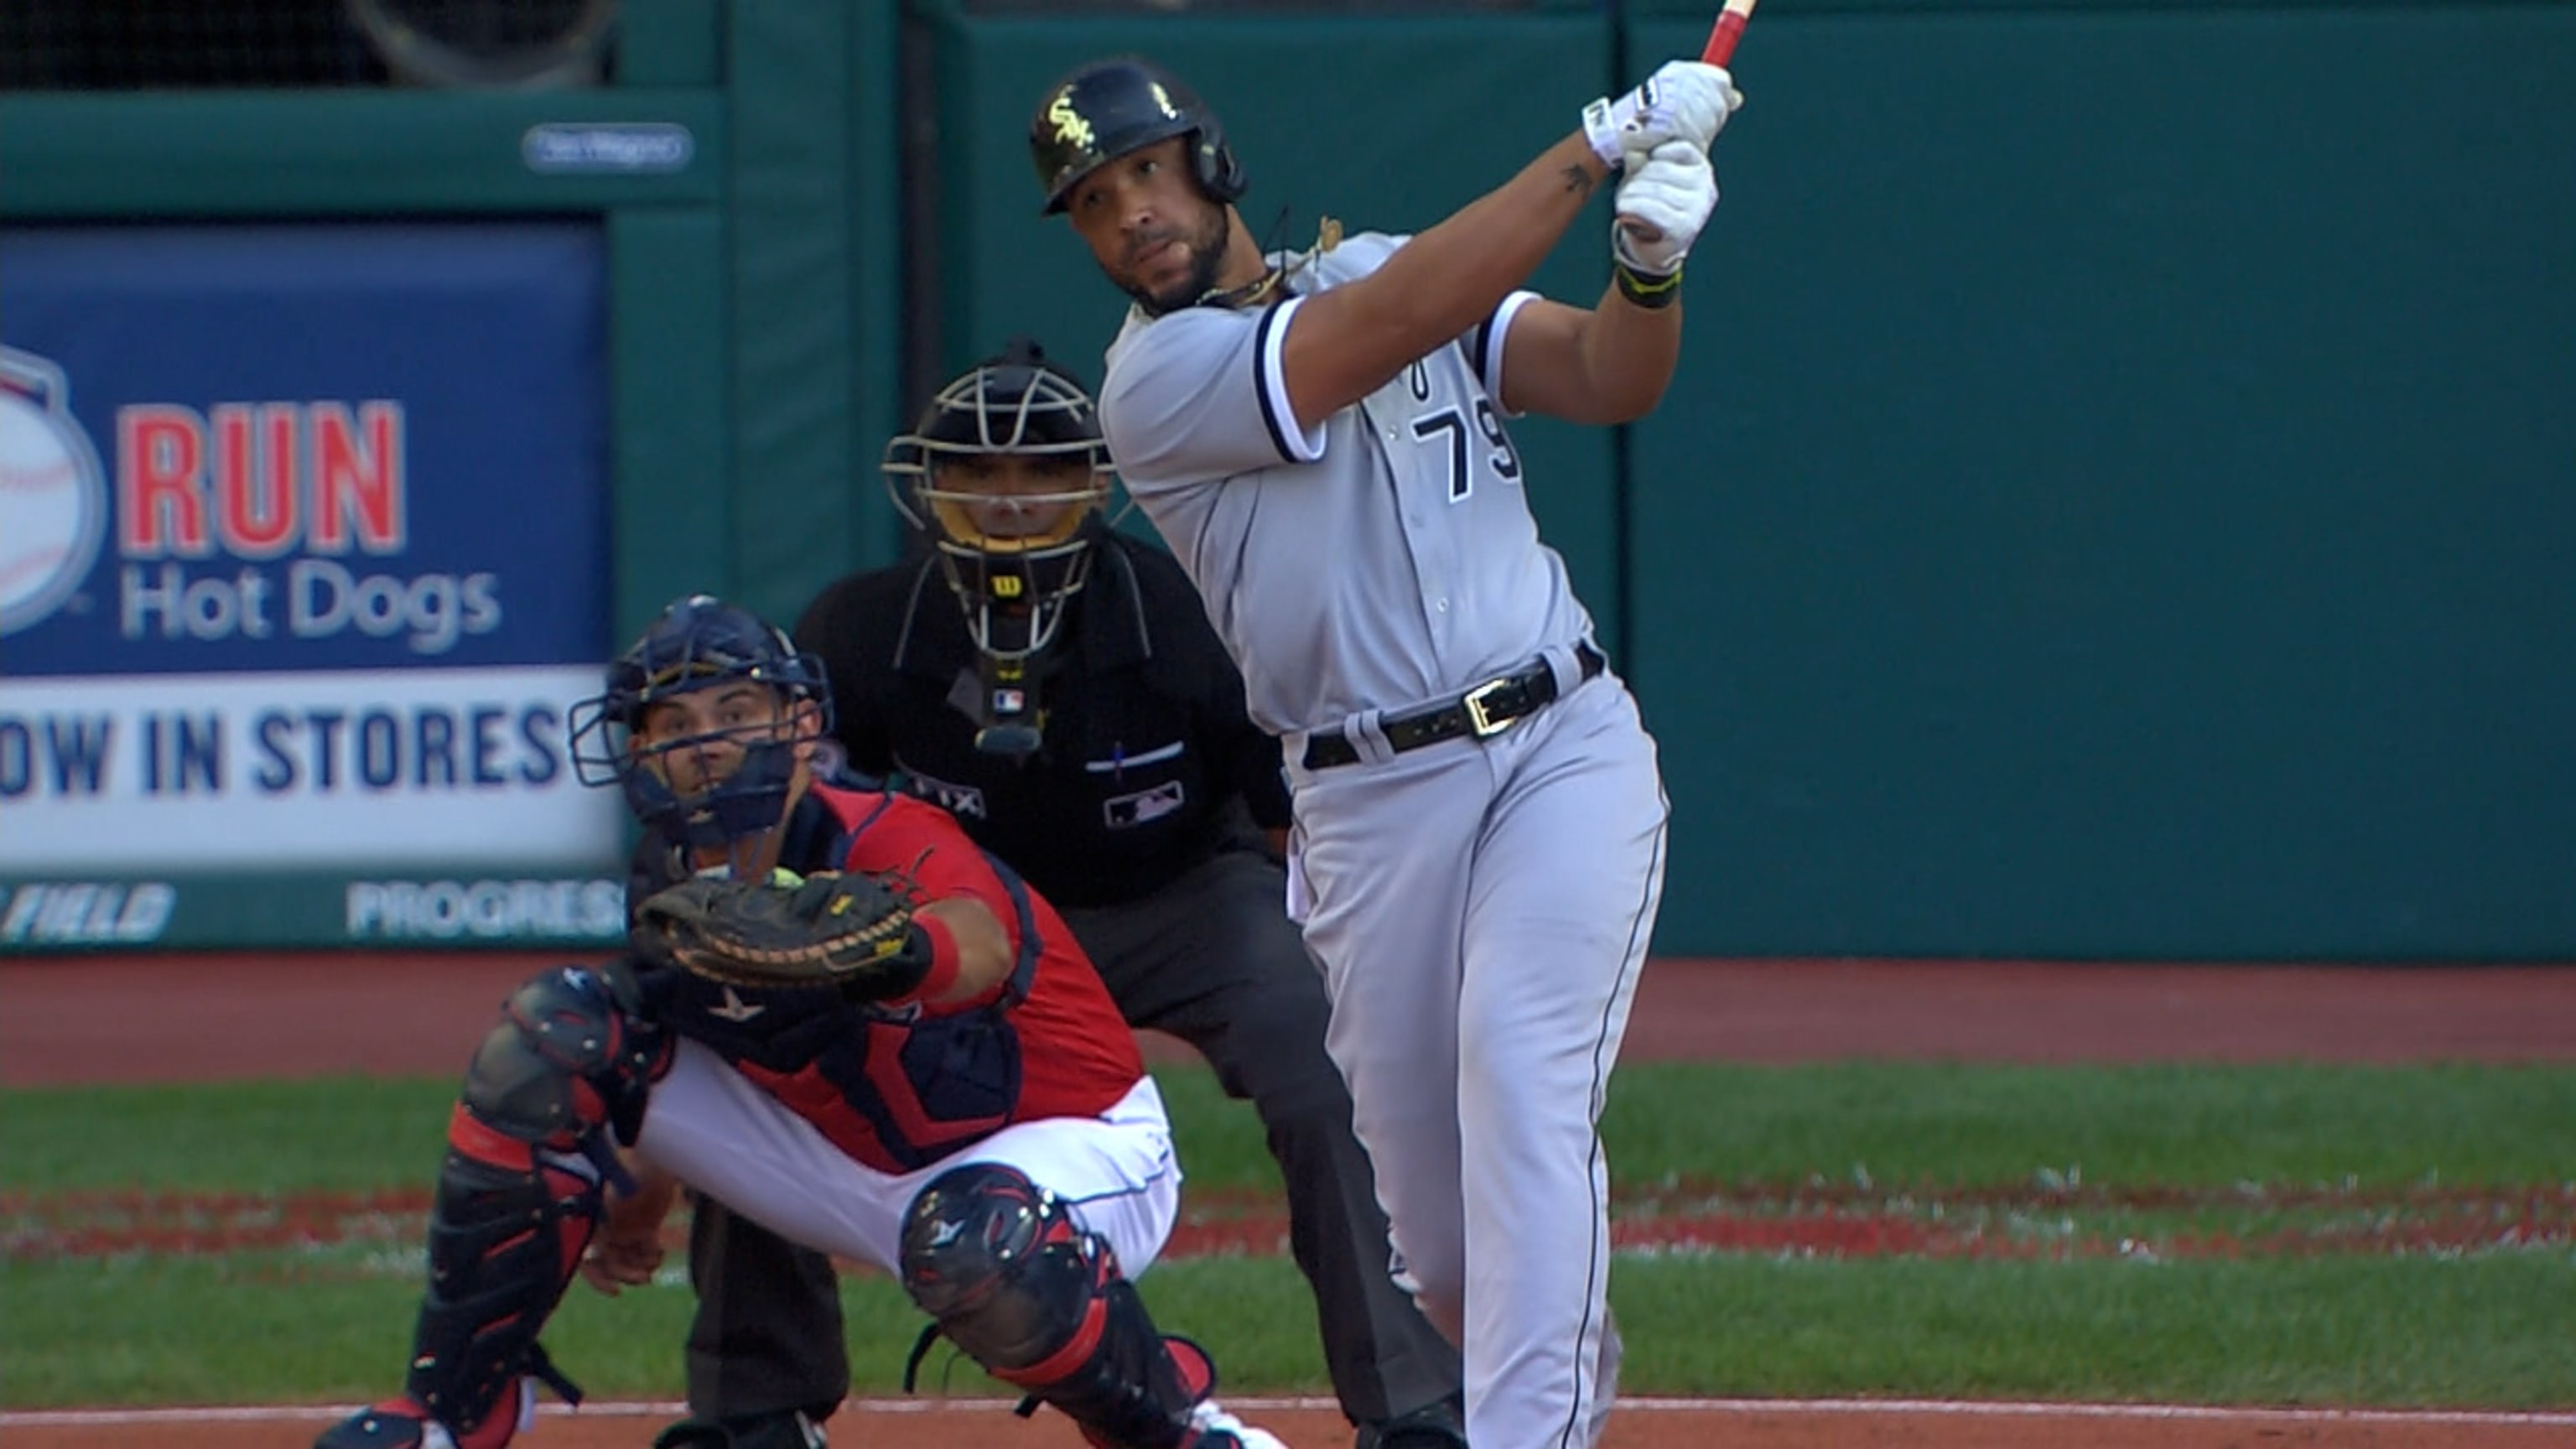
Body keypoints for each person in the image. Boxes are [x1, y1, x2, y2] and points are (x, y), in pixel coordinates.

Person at [1026, 53, 1737, 1449]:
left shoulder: (1397, 265)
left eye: (1144, 174)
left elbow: (1604, 376)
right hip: (1365, 805)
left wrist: (1648, 271)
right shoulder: (1157, 381)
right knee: (1450, 1255)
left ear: (1208, 160)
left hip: (1556, 745)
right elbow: (1391, 320)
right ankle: (1549, 1392)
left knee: (1525, 1081)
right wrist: (1590, 146)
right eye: (1095, 203)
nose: (1131, 218)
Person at [631, 340, 1468, 1449]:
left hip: (1178, 899)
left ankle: (1409, 1400)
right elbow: (791, 819)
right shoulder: (864, 628)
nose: (1013, 501)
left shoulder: (1191, 612)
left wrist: (1355, 966)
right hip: (950, 916)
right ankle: (757, 1405)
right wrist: (805, 941)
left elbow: (1290, 820)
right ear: (930, 484)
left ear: (1097, 480)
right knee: (766, 1014)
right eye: (979, 472)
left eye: (1043, 471)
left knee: (1321, 1057)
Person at [313, 594, 1285, 1449]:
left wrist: (894, 952)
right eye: (676, 723)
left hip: (1065, 1146)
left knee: (974, 1237)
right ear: (641, 751)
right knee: (558, 1031)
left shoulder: (880, 832)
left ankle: (1178, 1427)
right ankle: (454, 1413)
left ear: (799, 721)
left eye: (737, 712)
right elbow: (676, 1041)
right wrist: (640, 1202)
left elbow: (978, 941)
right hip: (862, 1168)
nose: (709, 744)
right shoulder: (668, 875)